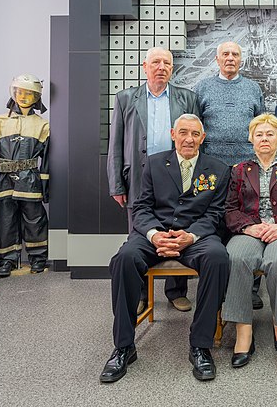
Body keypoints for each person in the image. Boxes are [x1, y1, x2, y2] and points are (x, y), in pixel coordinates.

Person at [100, 114, 231, 383]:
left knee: (218, 258)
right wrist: (154, 235)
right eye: (183, 132)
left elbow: (215, 214)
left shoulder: (218, 168)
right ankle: (124, 346)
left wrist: (190, 236)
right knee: (124, 258)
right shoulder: (154, 164)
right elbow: (141, 207)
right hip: (154, 234)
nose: (189, 139)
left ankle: (200, 345)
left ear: (202, 138)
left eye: (195, 134)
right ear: (173, 134)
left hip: (195, 236)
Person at [108, 47, 200, 313]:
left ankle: (175, 290)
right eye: (156, 62)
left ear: (172, 68)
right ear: (144, 66)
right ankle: (139, 294)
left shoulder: (187, 98)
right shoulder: (126, 98)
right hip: (138, 175)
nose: (162, 67)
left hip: (177, 173)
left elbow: (194, 139)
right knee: (139, 232)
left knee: (177, 225)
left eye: (167, 63)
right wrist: (116, 183)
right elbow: (116, 142)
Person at [222, 114, 277, 367]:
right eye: (259, 134)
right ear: (251, 139)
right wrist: (248, 227)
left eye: (270, 134)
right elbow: (230, 209)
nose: (264, 139)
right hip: (250, 230)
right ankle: (243, 330)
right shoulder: (240, 170)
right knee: (237, 257)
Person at [195, 40, 266, 309]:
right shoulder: (202, 87)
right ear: (217, 58)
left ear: (241, 60)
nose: (230, 58)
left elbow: (259, 125)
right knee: (214, 222)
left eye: (235, 54)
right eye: (225, 54)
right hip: (212, 166)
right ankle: (217, 283)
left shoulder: (252, 88)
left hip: (245, 166)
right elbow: (195, 126)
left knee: (248, 220)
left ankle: (251, 287)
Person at [0, 74, 50, 277]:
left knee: (35, 219)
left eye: (29, 93)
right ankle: (7, 260)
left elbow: (48, 159)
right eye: (20, 92)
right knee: (5, 220)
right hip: (3, 180)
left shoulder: (43, 125)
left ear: (36, 97)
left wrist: (45, 186)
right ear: (13, 93)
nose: (24, 97)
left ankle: (38, 258)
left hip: (30, 180)